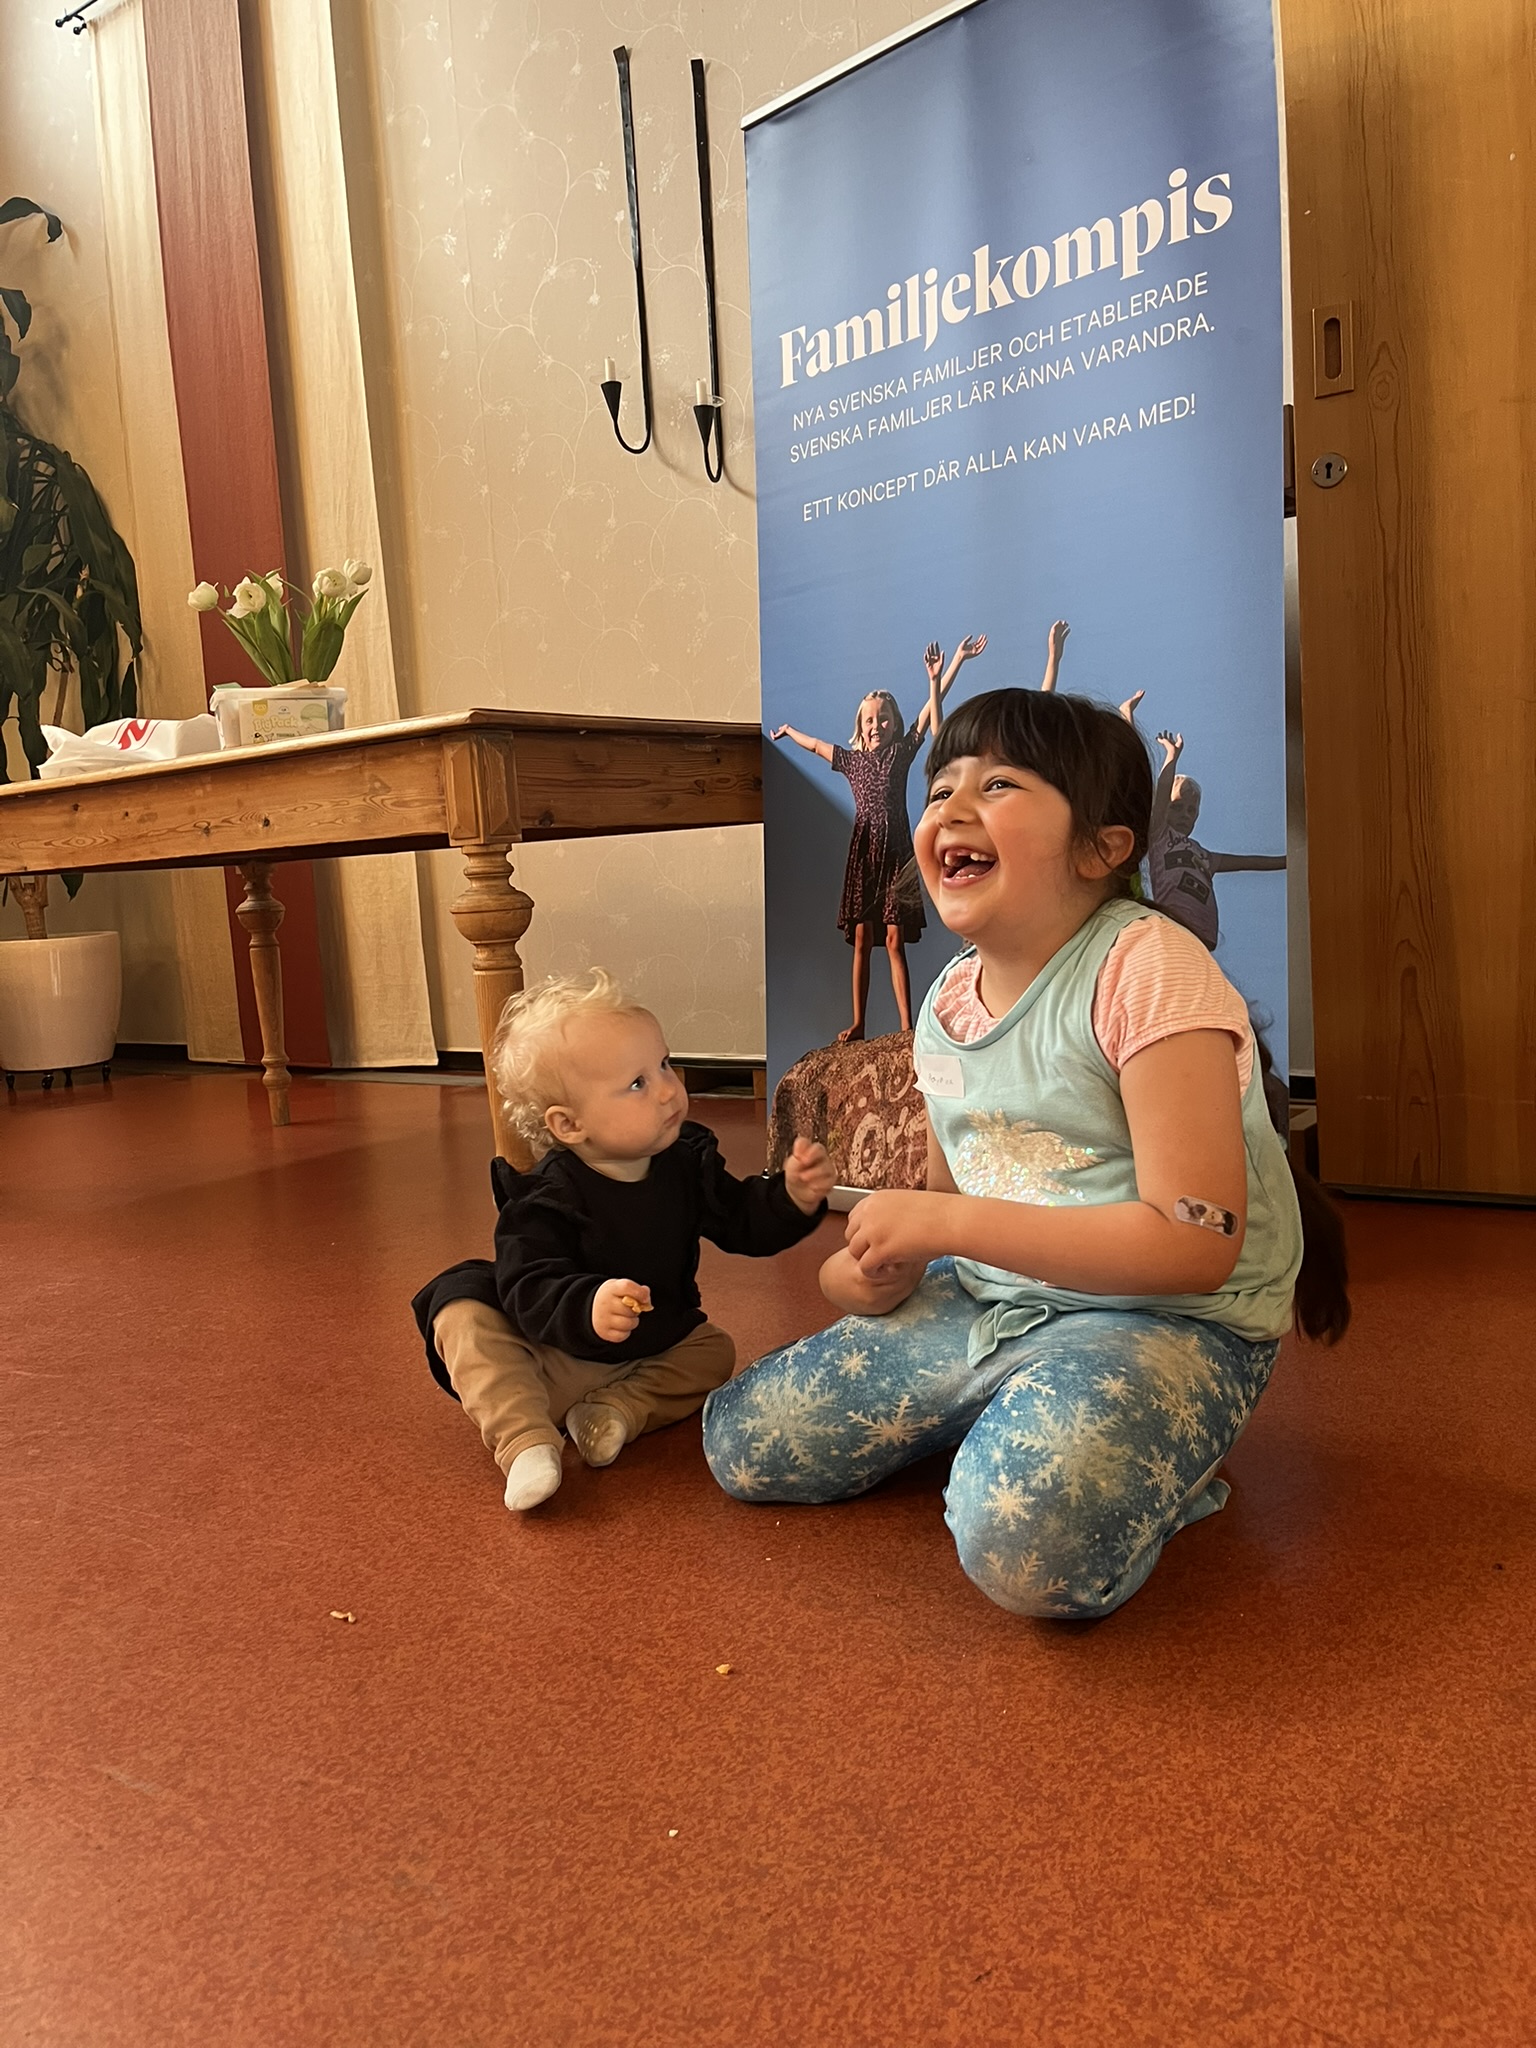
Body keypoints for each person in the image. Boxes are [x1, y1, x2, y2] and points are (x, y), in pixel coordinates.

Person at [704, 688, 1349, 1620]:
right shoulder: (947, 1002)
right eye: (940, 790)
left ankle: (1159, 1466)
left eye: (999, 784)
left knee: (1031, 1550)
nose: (952, 808)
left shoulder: (1147, 968)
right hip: (995, 1300)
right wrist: (870, 1277)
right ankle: (1004, 1405)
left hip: (1169, 1320)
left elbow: (1194, 1242)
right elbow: (938, 1212)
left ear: (1103, 847)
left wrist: (950, 1223)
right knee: (743, 1442)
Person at [412, 971, 835, 1512]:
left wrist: (791, 1198)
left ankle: (614, 1411)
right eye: (637, 1084)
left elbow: (741, 1220)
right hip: (549, 1358)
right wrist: (588, 1306)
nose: (667, 1089)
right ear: (568, 1125)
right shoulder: (545, 1198)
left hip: (648, 1347)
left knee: (715, 1351)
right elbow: (527, 1286)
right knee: (461, 1311)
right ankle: (526, 1442)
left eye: (663, 1064)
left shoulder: (683, 1161)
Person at [771, 620, 1068, 1041]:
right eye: (870, 719)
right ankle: (858, 1022)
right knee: (861, 938)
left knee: (894, 940)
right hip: (864, 852)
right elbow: (818, 746)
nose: (877, 725)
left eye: (884, 718)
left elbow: (934, 712)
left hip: (895, 853)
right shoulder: (853, 761)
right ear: (860, 726)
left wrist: (949, 669)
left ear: (894, 723)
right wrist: (787, 733)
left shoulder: (900, 753)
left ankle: (907, 1025)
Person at [1120, 693, 1287, 949]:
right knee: (1137, 788)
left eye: (1191, 810)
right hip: (1172, 922)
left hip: (1202, 933)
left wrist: (1289, 861)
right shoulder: (1160, 835)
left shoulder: (1204, 856)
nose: (1185, 814)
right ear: (1165, 810)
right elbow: (1162, 789)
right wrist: (1171, 758)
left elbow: (1249, 862)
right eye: (1178, 808)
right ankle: (1125, 717)